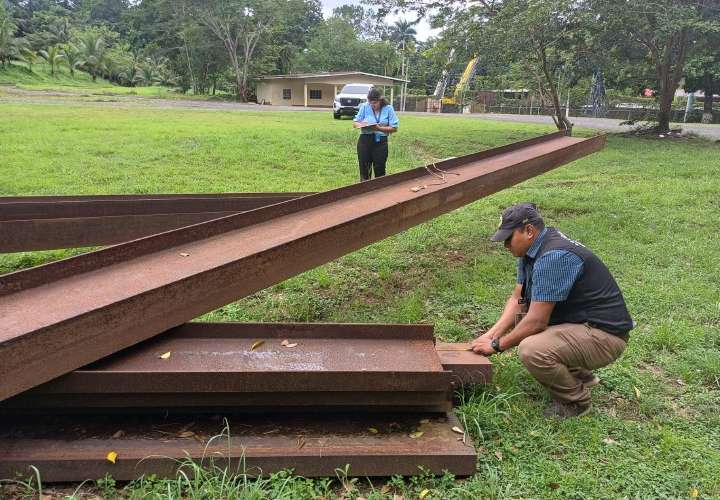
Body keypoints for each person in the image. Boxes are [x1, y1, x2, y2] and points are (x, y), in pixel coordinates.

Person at [471, 203, 634, 418]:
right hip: (582, 324)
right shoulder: (533, 249)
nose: (505, 245)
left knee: (531, 348)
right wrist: (491, 334)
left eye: (508, 239)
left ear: (529, 231)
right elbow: (518, 298)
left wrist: (497, 345)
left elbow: (537, 321)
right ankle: (581, 376)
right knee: (522, 320)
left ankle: (576, 402)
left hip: (605, 336)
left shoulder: (553, 257)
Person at [352, 88, 399, 181]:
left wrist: (378, 128)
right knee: (364, 169)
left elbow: (394, 128)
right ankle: (364, 191)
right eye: (370, 102)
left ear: (381, 100)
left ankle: (380, 192)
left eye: (375, 103)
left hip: (381, 142)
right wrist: (365, 124)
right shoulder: (365, 106)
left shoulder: (388, 108)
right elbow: (355, 123)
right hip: (364, 141)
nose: (372, 105)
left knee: (380, 169)